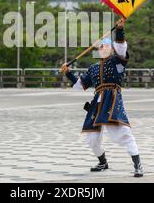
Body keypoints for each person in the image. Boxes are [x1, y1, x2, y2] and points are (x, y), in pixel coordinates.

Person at [61, 19, 144, 177]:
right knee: (91, 139)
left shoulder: (117, 61)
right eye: (100, 46)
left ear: (112, 48)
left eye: (106, 45)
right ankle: (102, 162)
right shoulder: (92, 68)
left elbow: (122, 47)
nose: (103, 48)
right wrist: (68, 72)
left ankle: (138, 164)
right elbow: (80, 85)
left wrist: (119, 30)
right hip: (96, 103)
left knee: (122, 133)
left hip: (112, 99)